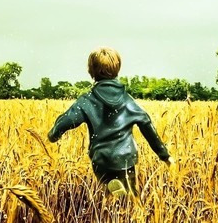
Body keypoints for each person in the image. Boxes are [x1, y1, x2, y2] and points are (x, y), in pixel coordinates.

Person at [48, 47, 175, 196]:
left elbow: (67, 120)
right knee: (130, 196)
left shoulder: (87, 100)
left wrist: (54, 134)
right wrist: (164, 156)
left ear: (91, 71)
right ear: (117, 69)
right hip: (126, 156)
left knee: (107, 196)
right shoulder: (127, 101)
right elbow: (146, 124)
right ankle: (126, 199)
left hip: (101, 158)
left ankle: (110, 189)